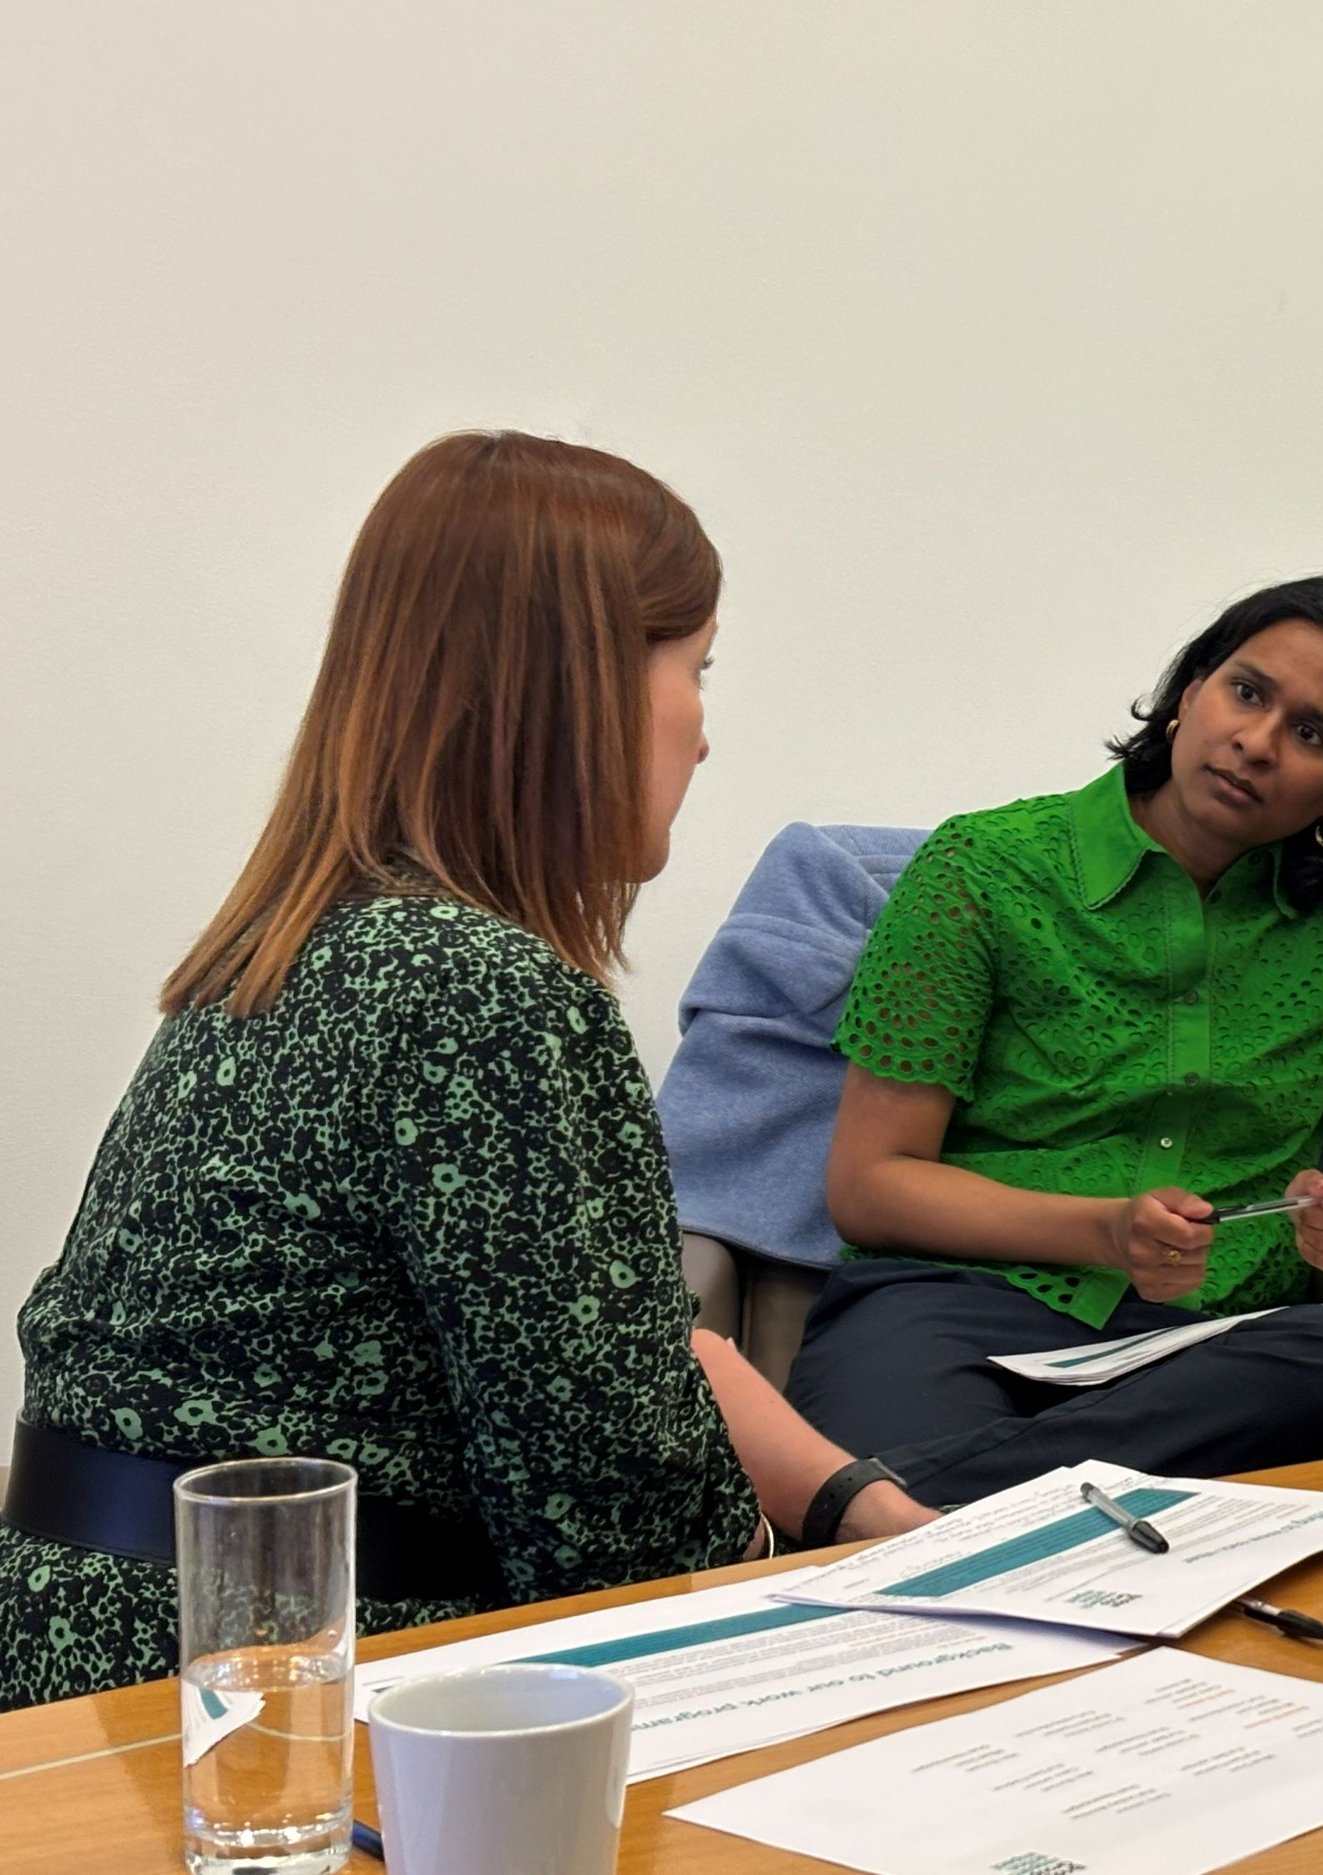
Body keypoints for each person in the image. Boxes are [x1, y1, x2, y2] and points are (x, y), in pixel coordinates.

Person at [0, 432, 930, 1712]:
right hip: (292, 1697)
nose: (703, 734)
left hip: (95, 1663)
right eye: (694, 669)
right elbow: (615, 1524)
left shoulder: (274, 959)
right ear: (586, 686)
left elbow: (618, 1353)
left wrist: (861, 1508)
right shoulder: (483, 994)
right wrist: (866, 1616)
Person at [780, 575, 1323, 1513]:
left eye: (1313, 734)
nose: (1257, 741)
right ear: (1190, 689)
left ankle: (901, 1510)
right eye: (1247, 691)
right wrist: (1106, 1228)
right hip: (947, 1308)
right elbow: (869, 1184)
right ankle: (963, 1506)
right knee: (901, 1411)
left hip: (1210, 1342)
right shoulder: (981, 868)